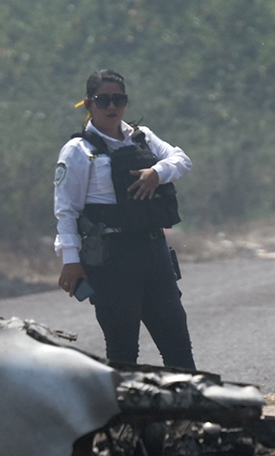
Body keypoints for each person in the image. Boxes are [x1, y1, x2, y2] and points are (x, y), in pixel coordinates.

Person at [53, 70, 196, 369]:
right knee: (123, 354)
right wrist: (70, 260)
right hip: (112, 260)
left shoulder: (142, 137)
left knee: (178, 348)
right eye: (103, 100)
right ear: (88, 104)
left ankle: (189, 401)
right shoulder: (79, 150)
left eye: (118, 100)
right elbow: (66, 210)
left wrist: (157, 173)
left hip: (154, 253)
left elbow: (181, 160)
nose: (111, 107)